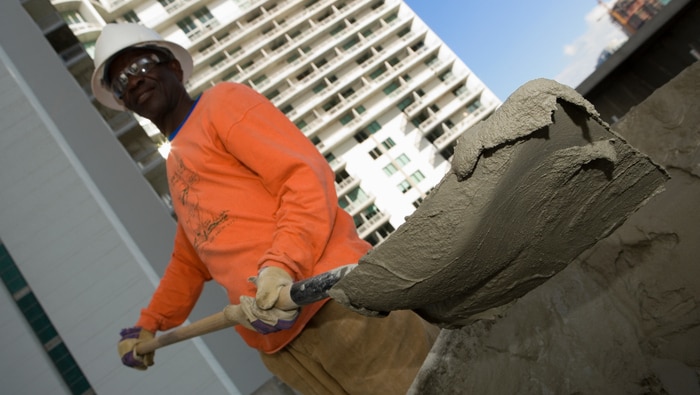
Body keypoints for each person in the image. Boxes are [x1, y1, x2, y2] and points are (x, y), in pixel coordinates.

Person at [91, 23, 437, 394]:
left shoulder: (221, 104)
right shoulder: (175, 165)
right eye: (120, 81)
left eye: (141, 64)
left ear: (173, 67)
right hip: (280, 347)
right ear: (123, 103)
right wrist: (150, 322)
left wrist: (281, 266)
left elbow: (303, 177)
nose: (133, 80)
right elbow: (190, 260)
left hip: (334, 305)